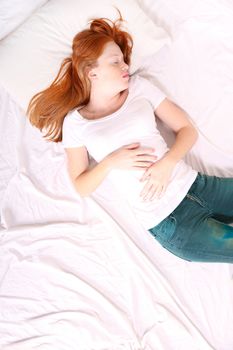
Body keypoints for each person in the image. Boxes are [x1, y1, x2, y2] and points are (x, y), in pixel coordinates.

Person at [27, 14, 233, 263]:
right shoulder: (76, 123)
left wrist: (166, 165)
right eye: (115, 62)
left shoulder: (139, 88)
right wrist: (111, 161)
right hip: (172, 223)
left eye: (123, 60)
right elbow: (81, 186)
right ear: (92, 73)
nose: (125, 66)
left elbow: (187, 130)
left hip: (198, 186)